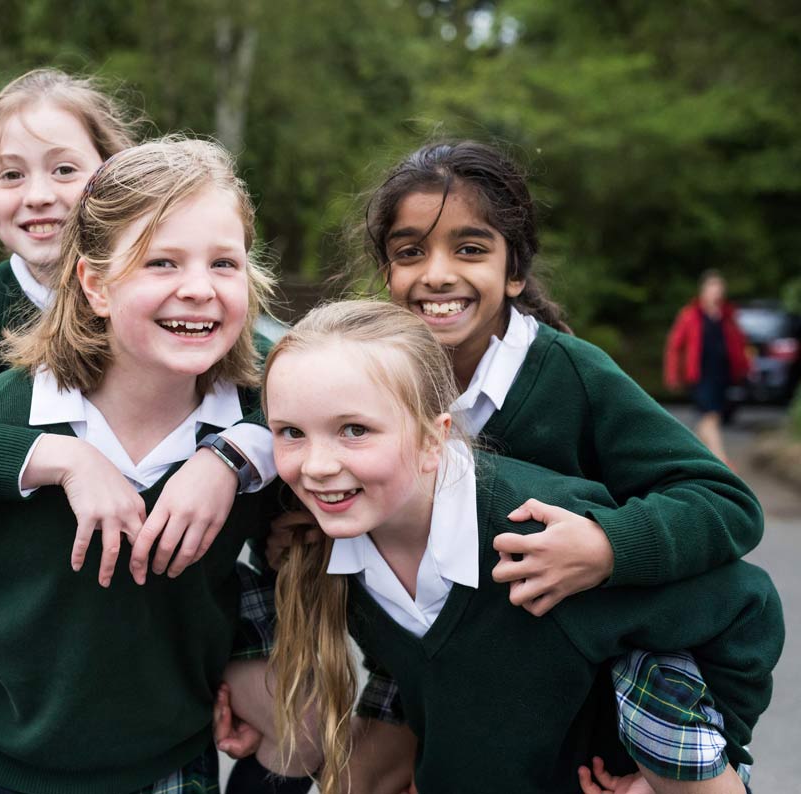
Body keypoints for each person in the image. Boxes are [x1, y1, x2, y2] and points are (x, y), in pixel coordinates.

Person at [217, 141, 766, 792]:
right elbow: (305, 436)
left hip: (581, 633)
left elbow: (723, 506)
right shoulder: (362, 384)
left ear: (515, 272)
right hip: (451, 651)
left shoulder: (570, 376)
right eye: (410, 251)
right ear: (386, 272)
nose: (438, 274)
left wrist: (606, 546)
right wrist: (299, 520)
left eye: (470, 249)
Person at [0, 68, 278, 794]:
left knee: (310, 728)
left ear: (113, 174)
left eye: (64, 168)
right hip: (10, 655)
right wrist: (61, 456)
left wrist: (231, 452)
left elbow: (308, 380)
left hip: (158, 698)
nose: (39, 194)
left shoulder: (212, 325)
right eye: (11, 174)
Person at [263, 300, 782, 794]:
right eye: (290, 432)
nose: (316, 466)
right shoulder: (338, 546)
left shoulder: (540, 543)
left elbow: (745, 603)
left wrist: (694, 764)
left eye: (354, 430)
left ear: (431, 440)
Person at [664, 270, 750, 465]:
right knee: (710, 416)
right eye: (712, 288)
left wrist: (744, 367)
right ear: (703, 290)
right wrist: (672, 374)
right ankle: (722, 460)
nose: (716, 293)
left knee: (710, 418)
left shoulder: (727, 315)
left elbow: (739, 343)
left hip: (722, 373)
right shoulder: (690, 315)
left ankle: (687, 456)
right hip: (700, 374)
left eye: (719, 288)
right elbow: (674, 346)